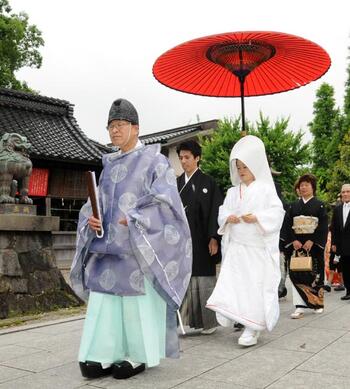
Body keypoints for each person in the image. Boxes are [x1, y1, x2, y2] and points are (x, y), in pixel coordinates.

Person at [70, 99, 192, 380]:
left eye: (120, 125)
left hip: (136, 250)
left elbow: (166, 201)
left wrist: (138, 216)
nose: (114, 131)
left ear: (135, 128)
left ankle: (137, 355)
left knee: (134, 306)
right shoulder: (109, 165)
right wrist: (92, 218)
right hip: (106, 248)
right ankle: (101, 354)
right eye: (111, 126)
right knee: (104, 304)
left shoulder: (155, 161)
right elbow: (96, 202)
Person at [206, 135, 284, 347]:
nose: (241, 171)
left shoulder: (266, 189)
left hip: (256, 248)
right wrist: (227, 218)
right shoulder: (232, 192)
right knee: (236, 286)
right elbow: (223, 212)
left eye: (245, 167)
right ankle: (242, 320)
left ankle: (253, 327)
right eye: (238, 167)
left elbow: (277, 212)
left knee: (255, 287)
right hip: (238, 247)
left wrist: (257, 217)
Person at [176, 140, 223, 334]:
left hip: (202, 239)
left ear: (197, 158)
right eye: (181, 158)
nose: (184, 161)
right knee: (182, 278)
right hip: (180, 239)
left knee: (203, 277)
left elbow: (215, 211)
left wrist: (214, 237)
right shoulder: (176, 183)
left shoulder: (208, 183)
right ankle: (182, 321)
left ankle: (209, 322)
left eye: (187, 157)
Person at [284, 174, 328, 319]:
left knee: (315, 273)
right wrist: (293, 240)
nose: (303, 187)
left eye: (306, 185)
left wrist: (313, 240)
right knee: (296, 273)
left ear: (313, 188)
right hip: (297, 245)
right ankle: (300, 306)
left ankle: (317, 303)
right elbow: (287, 225)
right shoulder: (292, 206)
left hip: (313, 245)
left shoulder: (320, 205)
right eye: (301, 185)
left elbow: (322, 226)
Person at [330, 184, 350, 300]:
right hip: (342, 245)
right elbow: (334, 228)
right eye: (343, 192)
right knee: (345, 269)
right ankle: (348, 291)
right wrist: (334, 243)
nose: (345, 194)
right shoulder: (337, 209)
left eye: (348, 191)